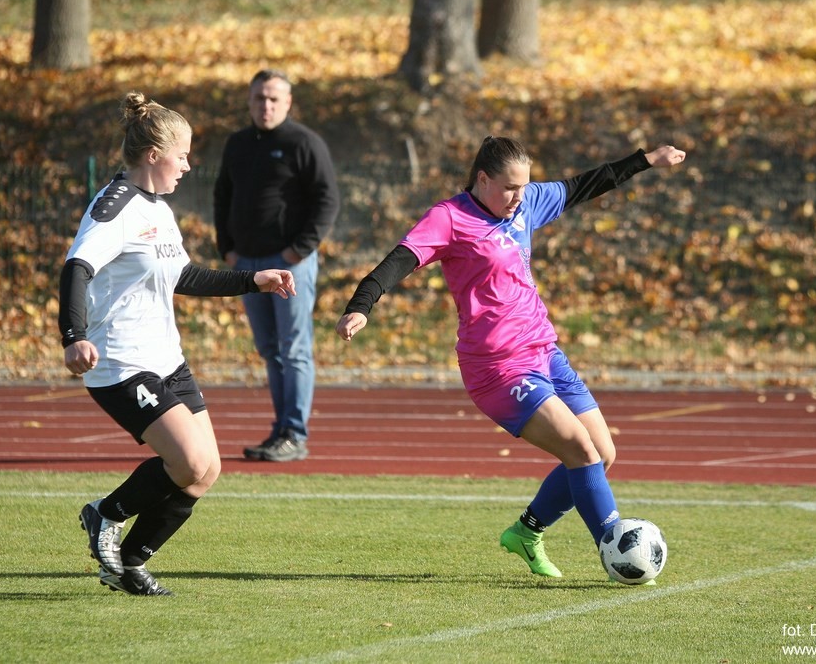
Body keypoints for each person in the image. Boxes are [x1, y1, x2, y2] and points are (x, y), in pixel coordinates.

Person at [336, 137, 685, 578]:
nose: (520, 197)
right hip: (497, 368)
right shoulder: (450, 218)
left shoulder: (525, 203)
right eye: (509, 187)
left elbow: (584, 185)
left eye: (524, 186)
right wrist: (361, 306)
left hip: (544, 351)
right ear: (482, 179)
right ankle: (616, 548)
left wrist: (646, 161)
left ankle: (525, 532)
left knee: (602, 452)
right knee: (581, 450)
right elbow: (398, 261)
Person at [60, 91, 296, 596]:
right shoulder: (115, 206)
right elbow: (77, 267)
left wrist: (253, 280)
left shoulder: (158, 208)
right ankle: (105, 514)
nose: (188, 166)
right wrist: (74, 337)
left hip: (167, 360)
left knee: (205, 471)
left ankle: (129, 564)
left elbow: (182, 275)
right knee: (186, 461)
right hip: (121, 362)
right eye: (182, 155)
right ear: (153, 155)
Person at [213, 69, 340, 463]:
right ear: (249, 101)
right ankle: (280, 430)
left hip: (288, 264)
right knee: (270, 350)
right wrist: (227, 249)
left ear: (287, 102)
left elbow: (327, 200)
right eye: (259, 98)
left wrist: (297, 251)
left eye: (273, 99)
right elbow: (222, 196)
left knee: (294, 347)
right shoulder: (237, 144)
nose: (265, 106)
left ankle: (294, 433)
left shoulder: (304, 143)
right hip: (248, 267)